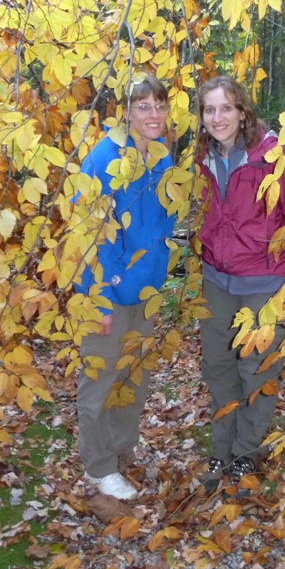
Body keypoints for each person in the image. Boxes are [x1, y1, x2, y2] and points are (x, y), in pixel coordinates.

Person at [195, 75, 285, 494]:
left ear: (242, 110)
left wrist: (282, 273)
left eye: (226, 107)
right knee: (219, 369)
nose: (218, 117)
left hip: (264, 284)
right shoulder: (203, 158)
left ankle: (245, 454)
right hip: (216, 282)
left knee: (257, 372)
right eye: (209, 109)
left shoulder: (272, 157)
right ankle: (220, 451)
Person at [74, 75, 174, 500]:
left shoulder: (161, 158)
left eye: (160, 105)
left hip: (145, 293)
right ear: (126, 111)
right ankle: (98, 467)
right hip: (108, 294)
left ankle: (120, 452)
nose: (154, 114)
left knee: (134, 381)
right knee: (99, 382)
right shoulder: (104, 157)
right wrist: (99, 299)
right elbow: (88, 233)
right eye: (144, 106)